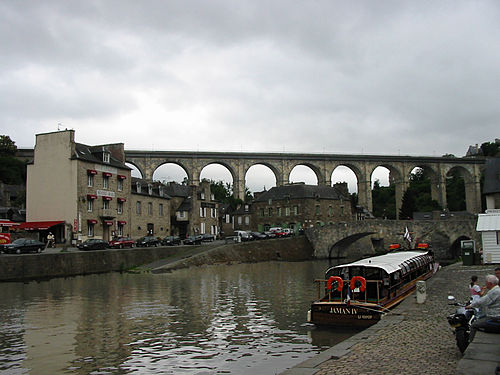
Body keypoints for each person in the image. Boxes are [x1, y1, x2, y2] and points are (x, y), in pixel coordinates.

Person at [465, 274, 500, 341]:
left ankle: (471, 343)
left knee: (474, 325)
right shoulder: (497, 289)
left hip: (494, 316)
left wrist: (471, 305)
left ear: (490, 283)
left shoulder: (494, 292)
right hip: (495, 314)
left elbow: (483, 301)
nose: (485, 284)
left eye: (486, 282)